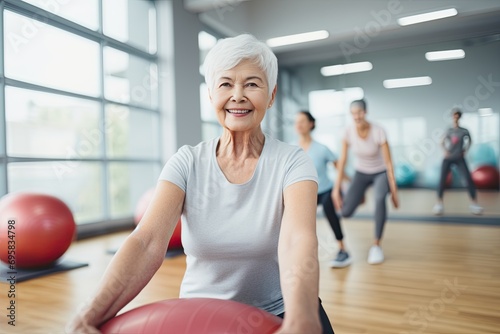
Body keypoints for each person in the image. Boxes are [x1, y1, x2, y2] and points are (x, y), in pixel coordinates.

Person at [67, 34, 334, 334]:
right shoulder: (186, 162)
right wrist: (89, 313)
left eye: (252, 84)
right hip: (201, 315)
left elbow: (297, 241)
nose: (238, 95)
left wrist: (300, 319)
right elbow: (146, 242)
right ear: (210, 95)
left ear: (271, 95)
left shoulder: (292, 162)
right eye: (225, 84)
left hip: (279, 311)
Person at [333, 99, 399, 265]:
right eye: (353, 113)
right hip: (361, 172)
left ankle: (376, 245)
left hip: (380, 173)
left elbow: (389, 162)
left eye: (360, 112)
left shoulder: (378, 131)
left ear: (365, 112)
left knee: (378, 199)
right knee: (345, 212)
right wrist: (336, 188)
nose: (357, 116)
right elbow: (342, 161)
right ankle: (360, 196)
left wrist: (394, 189)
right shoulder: (347, 132)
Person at [295, 111, 351, 268]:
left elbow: (338, 166)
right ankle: (300, 253)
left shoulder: (321, 148)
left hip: (325, 189)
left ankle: (342, 250)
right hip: (305, 193)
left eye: (302, 121)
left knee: (330, 211)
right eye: (296, 122)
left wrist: (351, 183)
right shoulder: (292, 148)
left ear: (311, 124)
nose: (298, 125)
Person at [432, 108, 483, 215]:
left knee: (468, 179)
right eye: (454, 116)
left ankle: (474, 204)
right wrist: (445, 151)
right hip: (448, 158)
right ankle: (439, 204)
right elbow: (441, 142)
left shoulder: (464, 131)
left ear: (459, 117)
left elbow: (470, 141)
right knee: (441, 180)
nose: (455, 117)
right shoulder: (448, 130)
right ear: (452, 117)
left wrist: (465, 150)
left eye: (457, 116)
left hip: (459, 158)